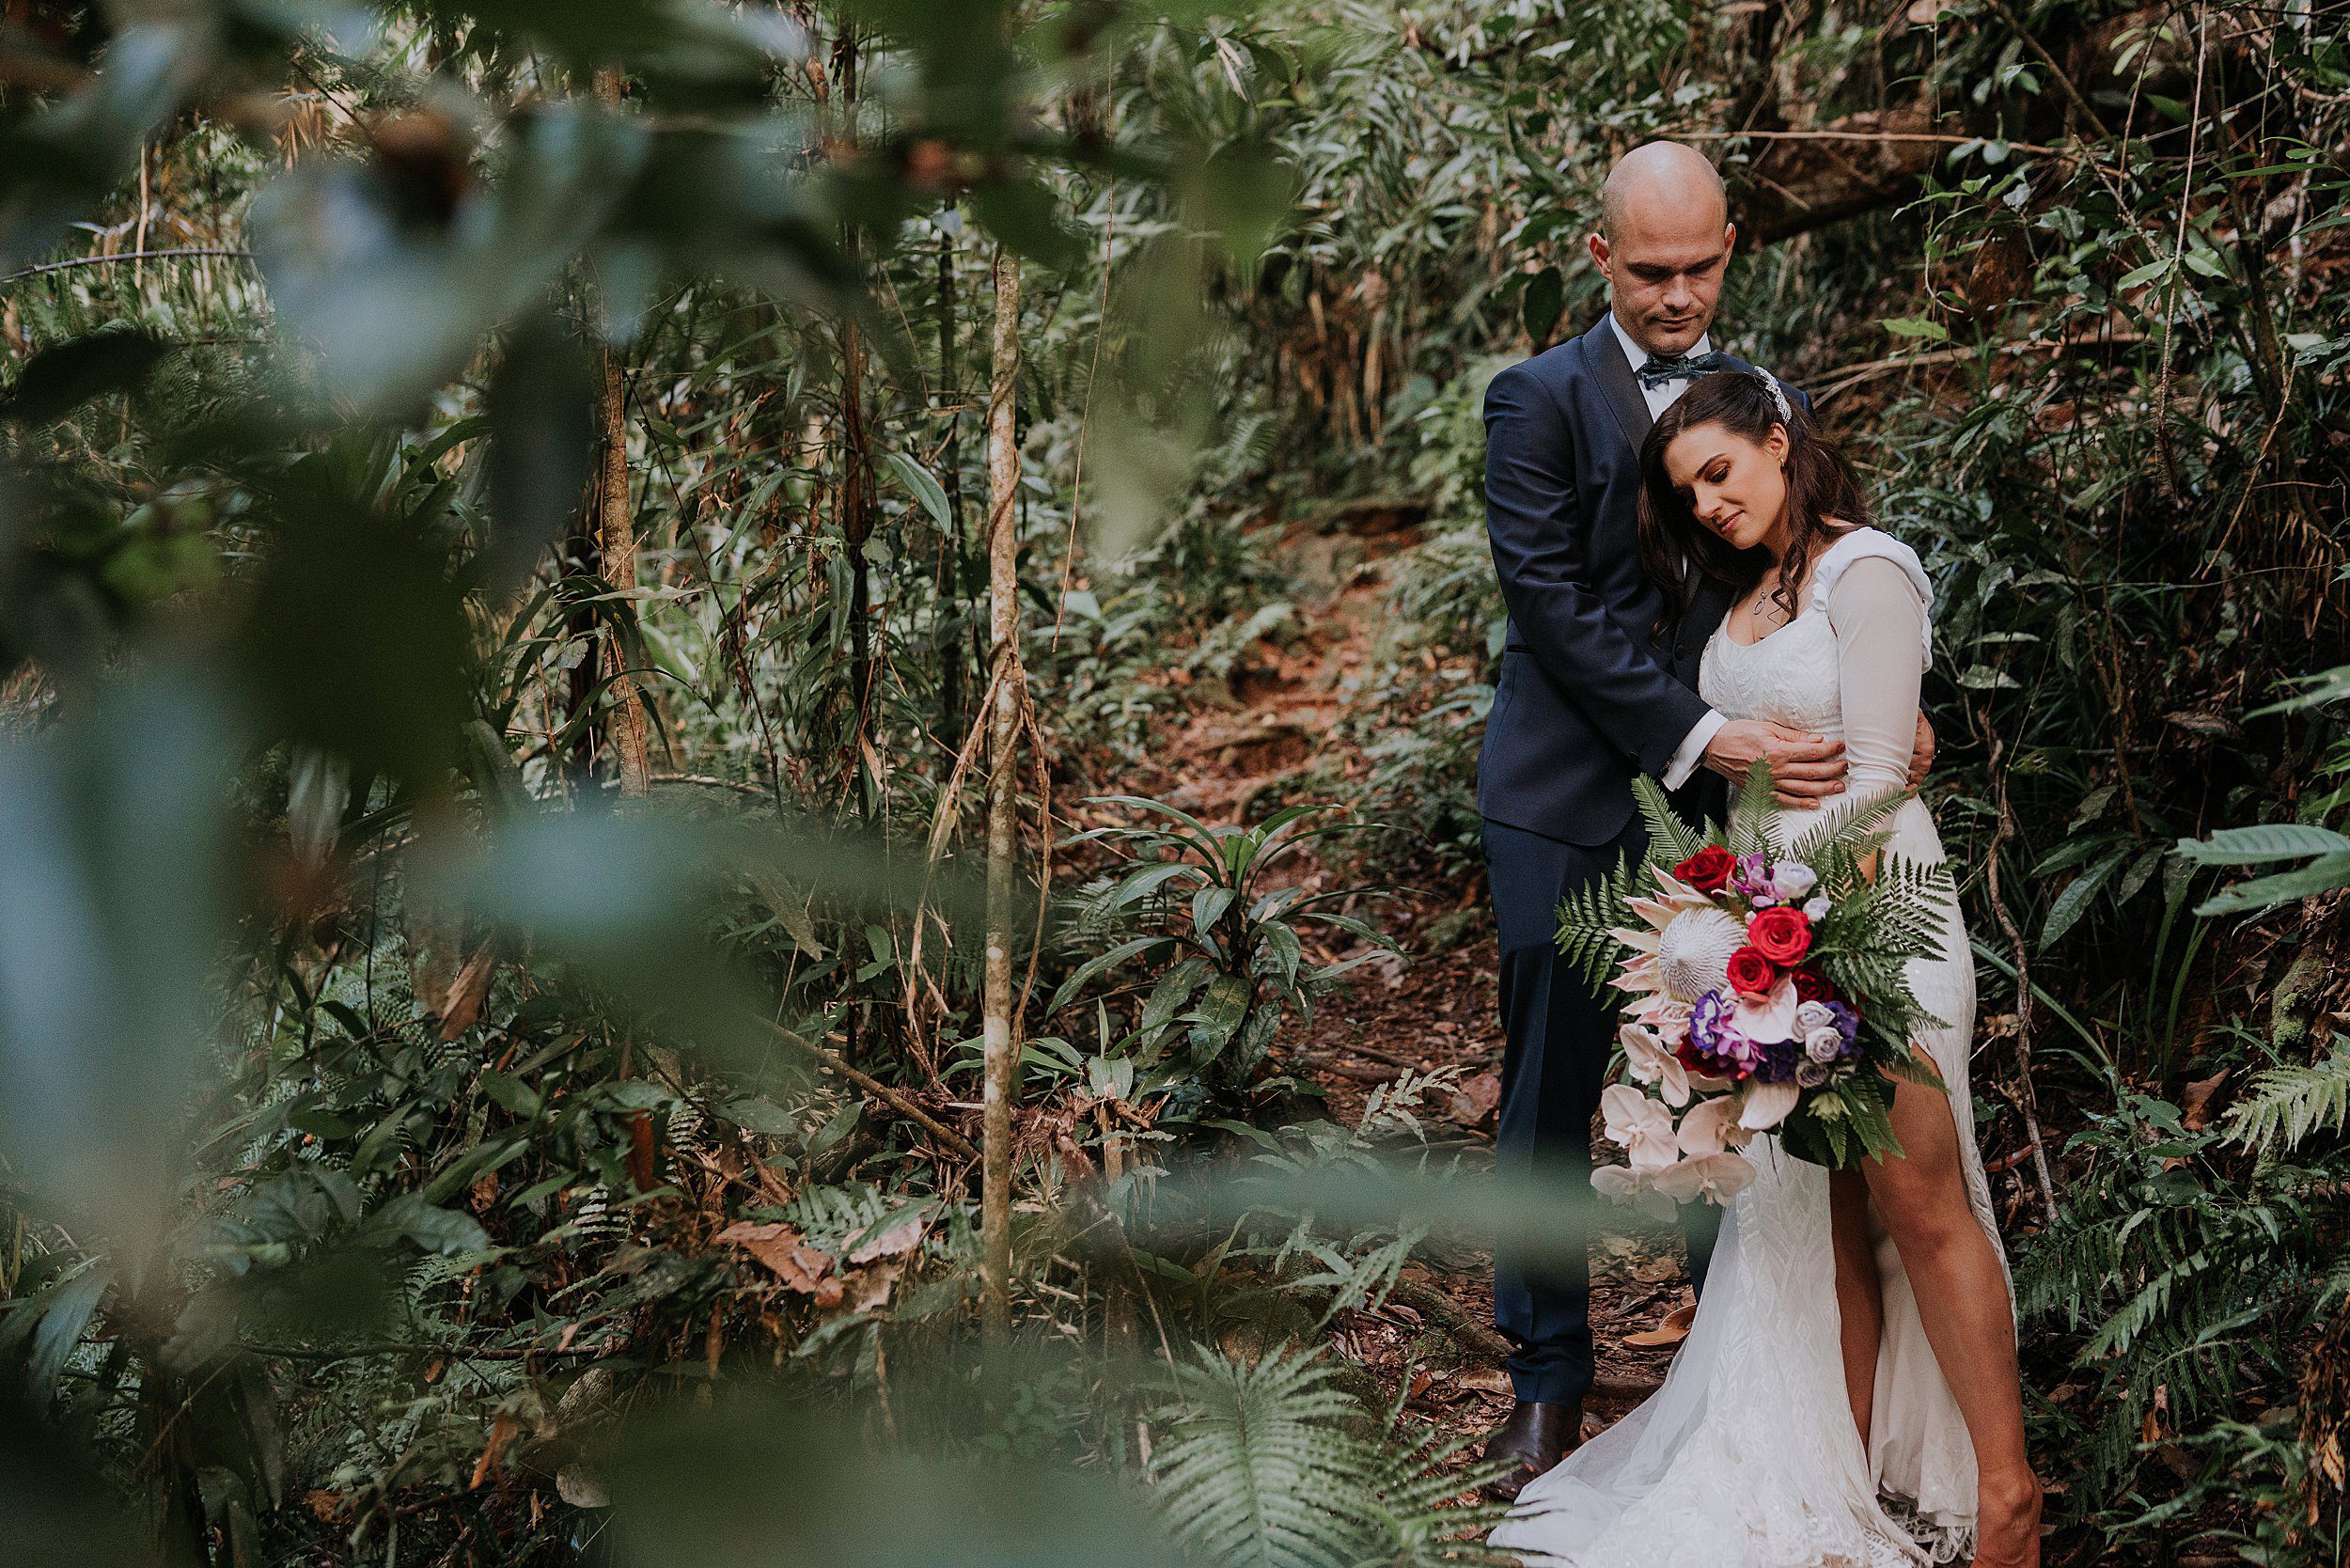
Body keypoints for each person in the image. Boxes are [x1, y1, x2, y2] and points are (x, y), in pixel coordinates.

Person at [1487, 369, 2042, 1565]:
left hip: (1876, 921)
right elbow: (1733, 766)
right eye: (1687, 491)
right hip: (1772, 941)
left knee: (1919, 1206)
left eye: (1722, 472)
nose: (1707, 504)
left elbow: (1886, 777)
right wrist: (1739, 938)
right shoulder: (1735, 600)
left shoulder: (1869, 570)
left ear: (1780, 443)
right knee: (1819, 1205)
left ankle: (2008, 1499)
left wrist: (1813, 940)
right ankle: (1843, 1468)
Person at [1474, 140, 1934, 1498]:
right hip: (1566, 787)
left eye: (1701, 267)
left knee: (1749, 1065)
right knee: (1553, 1074)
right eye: (1651, 271)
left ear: (1733, 246)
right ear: (1600, 254)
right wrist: (1700, 728)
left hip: (1736, 810)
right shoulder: (1535, 398)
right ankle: (1546, 1384)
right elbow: (1549, 604)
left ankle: (1723, 1376)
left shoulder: (1769, 399)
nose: (1678, 296)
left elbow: (1834, 561)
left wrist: (1901, 710)